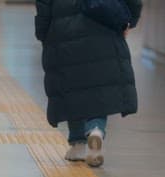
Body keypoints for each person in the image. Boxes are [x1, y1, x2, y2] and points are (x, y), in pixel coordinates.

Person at [35, 0, 143, 167]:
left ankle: (78, 145)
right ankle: (95, 129)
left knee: (72, 87)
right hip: (104, 24)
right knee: (99, 85)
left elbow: (44, 5)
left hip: (63, 30)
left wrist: (42, 32)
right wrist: (130, 20)